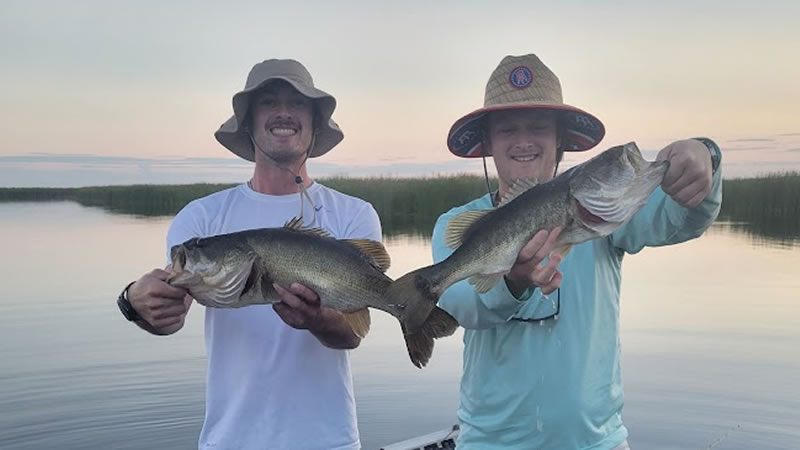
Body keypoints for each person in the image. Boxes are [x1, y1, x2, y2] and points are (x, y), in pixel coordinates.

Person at [434, 54, 722, 449]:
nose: (523, 140)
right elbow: (462, 305)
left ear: (561, 142)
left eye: (538, 127)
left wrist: (706, 157)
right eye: (506, 130)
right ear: (488, 144)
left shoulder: (611, 216)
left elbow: (683, 219)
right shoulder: (459, 224)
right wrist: (513, 284)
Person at [115, 59, 380, 450]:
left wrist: (317, 319)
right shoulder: (202, 218)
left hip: (328, 440)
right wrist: (134, 302)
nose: (284, 112)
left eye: (299, 103)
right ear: (250, 123)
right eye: (269, 102)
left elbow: (352, 335)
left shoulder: (353, 214)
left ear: (314, 122)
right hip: (230, 440)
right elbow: (169, 319)